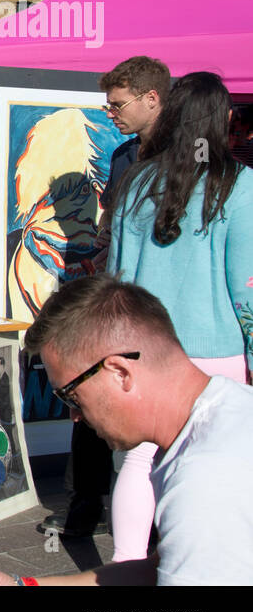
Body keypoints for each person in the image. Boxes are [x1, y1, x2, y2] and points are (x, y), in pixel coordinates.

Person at [0, 276, 253, 586]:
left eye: (70, 396)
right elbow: (157, 570)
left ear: (120, 372)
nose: (74, 416)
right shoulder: (226, 410)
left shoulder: (204, 480)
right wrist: (23, 585)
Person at [104, 71, 252, 564]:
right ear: (223, 119)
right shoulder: (239, 184)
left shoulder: (137, 180)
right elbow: (246, 288)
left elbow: (117, 277)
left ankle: (127, 564)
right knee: (217, 460)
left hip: (147, 349)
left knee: (140, 458)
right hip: (218, 351)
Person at [40, 55, 169, 540]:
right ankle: (86, 502)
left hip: (160, 304)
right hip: (116, 296)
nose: (111, 113)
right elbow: (111, 224)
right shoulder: (123, 157)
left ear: (151, 99)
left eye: (118, 105)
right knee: (92, 397)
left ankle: (152, 521)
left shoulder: (183, 158)